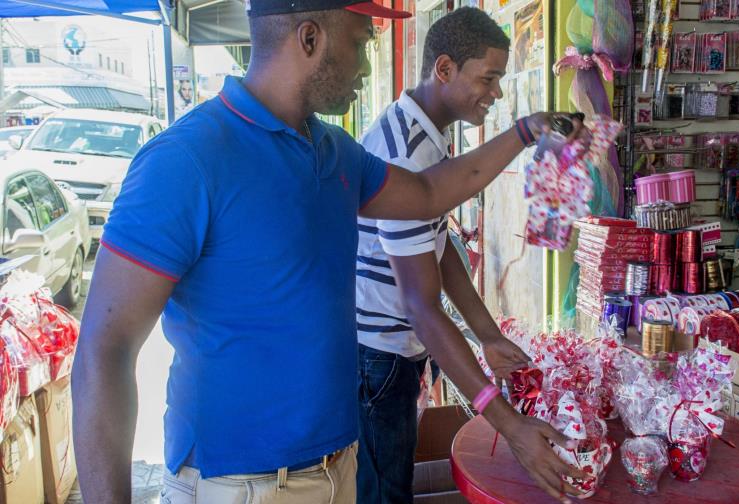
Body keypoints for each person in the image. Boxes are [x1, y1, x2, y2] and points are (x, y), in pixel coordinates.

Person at [71, 1, 587, 503]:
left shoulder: (335, 151)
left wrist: (526, 131)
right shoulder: (186, 160)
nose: (367, 65)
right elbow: (104, 351)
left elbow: (429, 196)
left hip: (338, 466)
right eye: (361, 43)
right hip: (237, 485)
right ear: (311, 38)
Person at [354, 8, 542, 503]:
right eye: (489, 77)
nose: (496, 92)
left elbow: (439, 249)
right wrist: (507, 424)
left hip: (400, 353)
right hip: (380, 356)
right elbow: (421, 305)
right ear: (444, 69)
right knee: (383, 492)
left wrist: (488, 336)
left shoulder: (428, 137)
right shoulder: (404, 150)